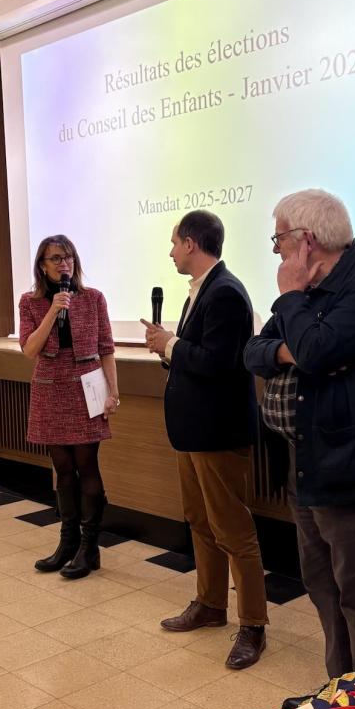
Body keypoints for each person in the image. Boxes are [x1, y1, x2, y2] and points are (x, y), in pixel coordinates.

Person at [244, 189, 355, 709]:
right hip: (308, 465)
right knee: (323, 590)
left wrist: (293, 307)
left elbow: (316, 353)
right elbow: (254, 351)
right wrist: (294, 346)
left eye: (278, 239)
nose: (275, 253)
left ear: (305, 240)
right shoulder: (312, 296)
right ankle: (344, 698)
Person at [143, 210, 268, 669]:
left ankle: (253, 624)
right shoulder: (200, 290)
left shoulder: (227, 293)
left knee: (234, 530)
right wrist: (168, 349)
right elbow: (195, 361)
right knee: (200, 520)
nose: (171, 251)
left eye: (174, 242)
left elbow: (219, 363)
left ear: (193, 243)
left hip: (218, 432)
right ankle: (211, 604)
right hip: (193, 430)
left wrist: (170, 345)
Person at [19, 235, 119, 580]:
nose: (64, 264)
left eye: (69, 257)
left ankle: (89, 548)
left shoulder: (93, 299)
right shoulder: (30, 303)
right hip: (49, 389)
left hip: (86, 389)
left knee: (87, 466)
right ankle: (67, 542)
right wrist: (52, 310)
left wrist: (113, 394)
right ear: (42, 266)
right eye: (56, 258)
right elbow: (30, 349)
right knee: (62, 469)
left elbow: (106, 348)